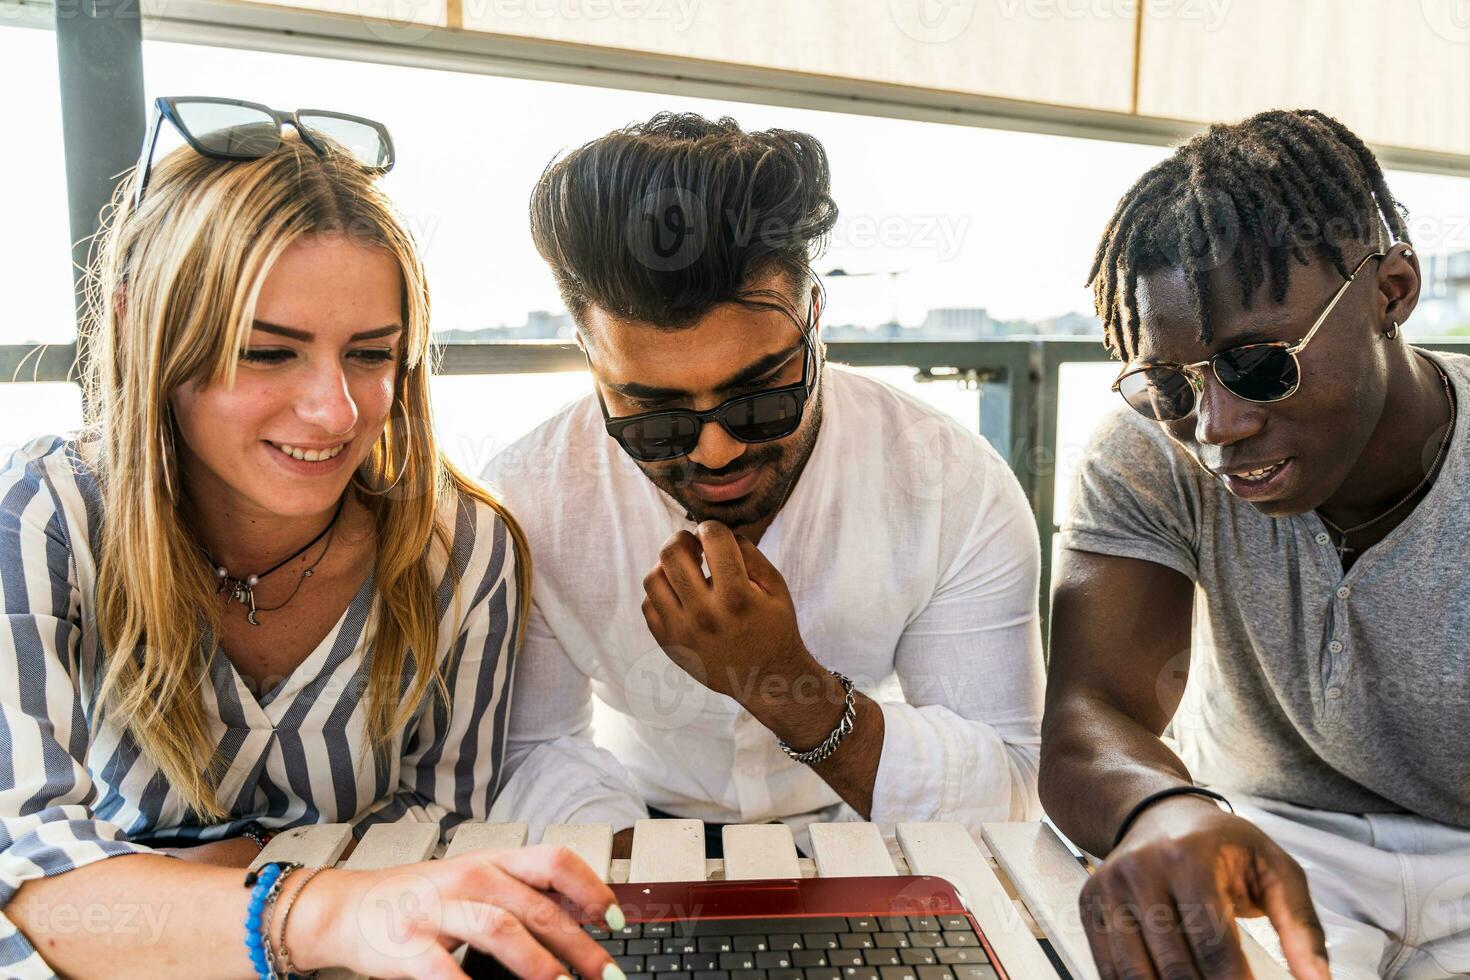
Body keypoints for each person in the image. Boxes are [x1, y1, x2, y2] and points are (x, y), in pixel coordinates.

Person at [0, 99, 625, 980]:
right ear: (144, 327)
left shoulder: (465, 550)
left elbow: (446, 836)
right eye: (267, 353)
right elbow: (23, 868)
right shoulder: (44, 519)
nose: (336, 412)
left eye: (371, 354)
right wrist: (315, 904)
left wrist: (189, 884)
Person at [485, 112, 1045, 857]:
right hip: (624, 828)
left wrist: (786, 686)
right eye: (654, 415)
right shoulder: (527, 499)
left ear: (817, 320)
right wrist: (651, 892)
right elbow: (531, 756)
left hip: (865, 831)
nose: (715, 452)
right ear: (590, 361)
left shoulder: (950, 484)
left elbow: (1008, 789)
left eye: (761, 396)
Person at [1042, 108, 1470, 979]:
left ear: (1391, 292)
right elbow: (1092, 714)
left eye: (1261, 363)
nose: (1214, 427)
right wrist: (1165, 813)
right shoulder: (1147, 449)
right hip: (1255, 830)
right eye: (1168, 383)